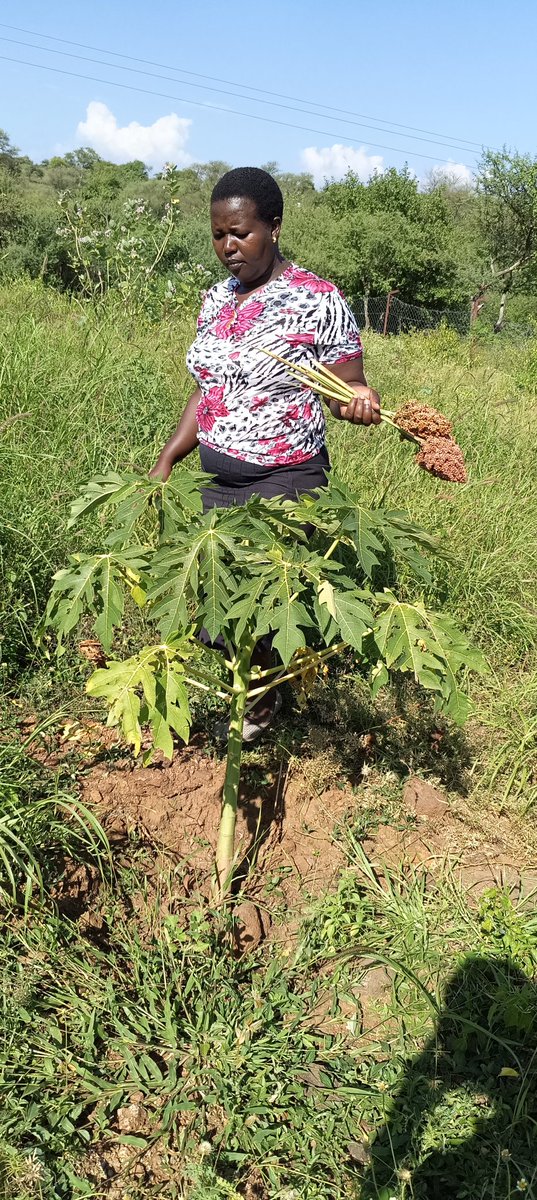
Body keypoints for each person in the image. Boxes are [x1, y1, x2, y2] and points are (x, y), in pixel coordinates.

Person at [150, 166, 381, 740]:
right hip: (219, 480)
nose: (228, 247)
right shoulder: (215, 300)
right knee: (219, 602)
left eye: (241, 233)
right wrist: (168, 457)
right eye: (218, 234)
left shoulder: (317, 299)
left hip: (286, 479)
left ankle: (259, 713)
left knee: (260, 602)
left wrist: (359, 399)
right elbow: (209, 390)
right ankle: (249, 702)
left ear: (273, 228)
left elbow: (346, 386)